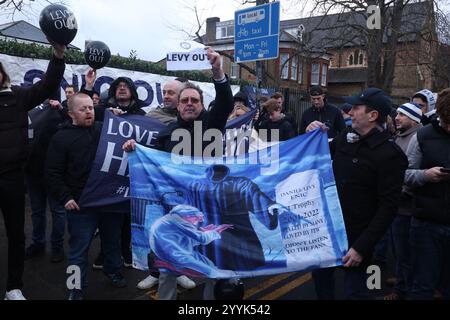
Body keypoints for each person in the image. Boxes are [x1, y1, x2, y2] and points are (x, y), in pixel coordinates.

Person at [123, 47, 234, 300]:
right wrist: (134, 149)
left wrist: (217, 71)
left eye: (194, 100)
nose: (189, 104)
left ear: (202, 105)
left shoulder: (211, 125)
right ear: (178, 106)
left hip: (208, 207)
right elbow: (152, 162)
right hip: (175, 210)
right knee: (168, 267)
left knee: (212, 266)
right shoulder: (167, 132)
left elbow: (226, 102)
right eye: (185, 101)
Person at [309, 88, 408, 299]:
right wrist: (313, 135)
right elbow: (321, 156)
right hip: (328, 234)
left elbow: (388, 207)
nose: (350, 112)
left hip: (359, 242)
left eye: (356, 108)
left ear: (372, 116)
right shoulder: (346, 136)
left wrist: (361, 247)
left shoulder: (390, 155)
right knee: (322, 289)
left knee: (358, 293)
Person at [0, 39, 66, 300]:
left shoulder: (16, 96)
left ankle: (13, 287)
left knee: (16, 234)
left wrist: (58, 54)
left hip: (13, 177)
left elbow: (48, 85)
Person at [46, 93, 127, 300]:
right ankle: (75, 287)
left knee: (112, 243)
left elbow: (127, 140)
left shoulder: (104, 130)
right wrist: (65, 198)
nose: (89, 111)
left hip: (108, 202)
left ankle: (113, 271)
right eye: (83, 109)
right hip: (80, 206)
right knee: (78, 249)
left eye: (91, 107)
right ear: (71, 113)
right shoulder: (60, 137)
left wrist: (118, 120)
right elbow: (53, 172)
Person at [136, 78, 197, 291]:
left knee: (183, 236)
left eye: (172, 93)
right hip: (163, 191)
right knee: (159, 234)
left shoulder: (201, 122)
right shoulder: (152, 118)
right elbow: (149, 151)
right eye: (165, 92)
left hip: (189, 194)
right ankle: (155, 272)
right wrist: (133, 148)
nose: (166, 96)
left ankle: (179, 271)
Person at [82, 68, 145, 270]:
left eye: (126, 86)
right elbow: (75, 107)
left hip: (130, 172)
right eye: (118, 87)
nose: (122, 89)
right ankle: (105, 253)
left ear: (133, 92)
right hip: (107, 171)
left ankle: (126, 253)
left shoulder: (142, 115)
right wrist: (89, 86)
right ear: (113, 93)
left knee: (127, 216)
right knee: (108, 216)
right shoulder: (101, 111)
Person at [186, 164, 285, 271]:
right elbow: (188, 209)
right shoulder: (195, 185)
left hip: (236, 233)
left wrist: (269, 206)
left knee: (238, 268)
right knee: (213, 267)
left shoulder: (240, 183)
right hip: (211, 234)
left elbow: (255, 196)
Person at [404, 88, 450, 300]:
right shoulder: (422, 136)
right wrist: (424, 175)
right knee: (422, 286)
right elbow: (403, 174)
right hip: (426, 224)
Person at [382, 102, 423, 300]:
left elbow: (409, 170)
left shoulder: (416, 138)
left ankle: (402, 290)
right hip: (394, 203)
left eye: (402, 115)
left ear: (414, 119)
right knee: (398, 250)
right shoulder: (399, 136)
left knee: (404, 251)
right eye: (397, 114)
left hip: (406, 206)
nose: (396, 117)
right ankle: (401, 281)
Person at [24, 99, 69, 263]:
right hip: (32, 172)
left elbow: (72, 123)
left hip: (53, 174)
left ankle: (56, 247)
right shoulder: (28, 107)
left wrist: (61, 109)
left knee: (57, 211)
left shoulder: (57, 108)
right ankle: (38, 243)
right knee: (37, 212)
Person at [149, 204, 234, 278]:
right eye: (196, 220)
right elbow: (203, 239)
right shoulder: (178, 220)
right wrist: (214, 232)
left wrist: (202, 232)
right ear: (189, 216)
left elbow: (186, 241)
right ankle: (216, 274)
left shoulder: (171, 219)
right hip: (171, 254)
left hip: (170, 250)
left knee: (204, 261)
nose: (196, 223)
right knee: (206, 269)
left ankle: (216, 271)